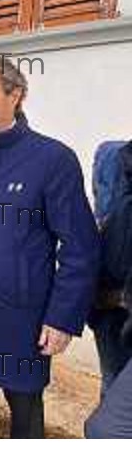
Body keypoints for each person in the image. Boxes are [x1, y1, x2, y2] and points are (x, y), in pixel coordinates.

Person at [0, 56, 99, 438]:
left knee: (26, 420)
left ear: (16, 95)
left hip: (23, 319)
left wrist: (63, 318)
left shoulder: (52, 159)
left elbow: (80, 246)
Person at [85, 140, 132, 438]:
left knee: (109, 427)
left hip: (123, 299)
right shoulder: (110, 156)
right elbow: (101, 222)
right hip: (106, 307)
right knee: (112, 385)